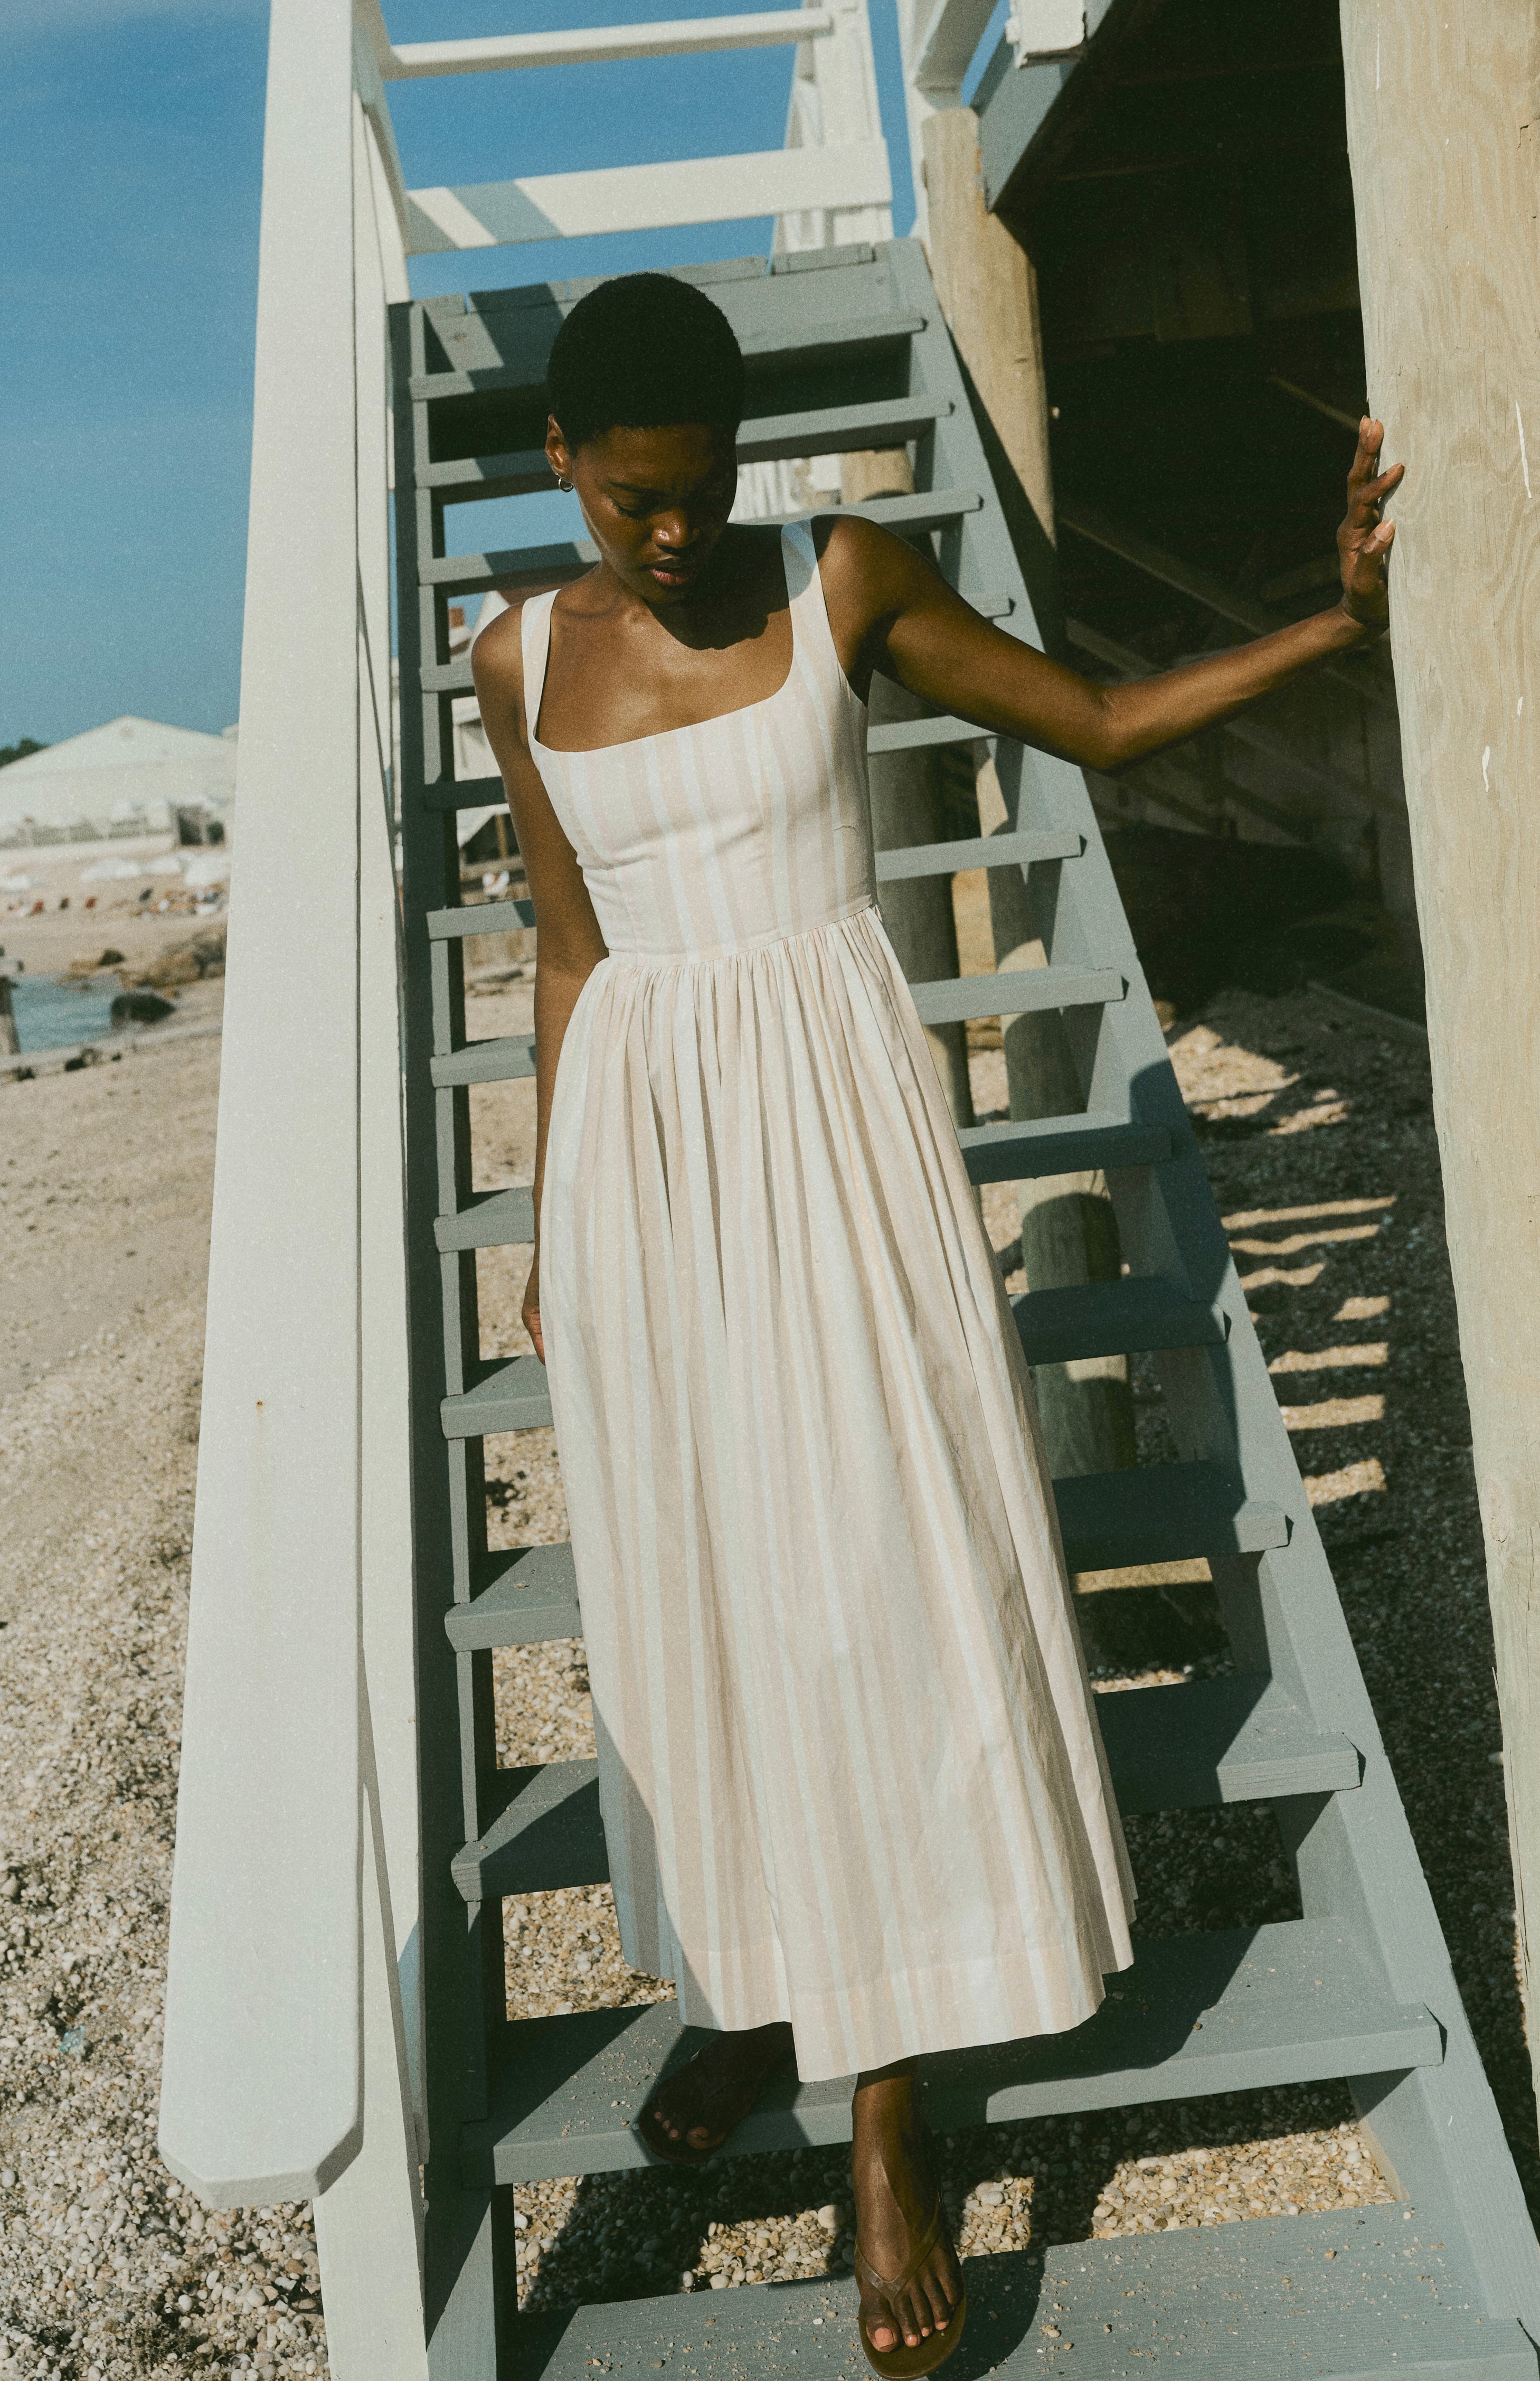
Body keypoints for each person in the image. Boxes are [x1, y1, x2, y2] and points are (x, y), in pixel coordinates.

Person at [472, 270, 1400, 2378]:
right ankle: (762, 1976)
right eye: (631, 504)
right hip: (648, 1170)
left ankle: (889, 2112)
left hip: (846, 1144)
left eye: (700, 490)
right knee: (708, 1600)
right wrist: (553, 1207)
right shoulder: (512, 657)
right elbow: (558, 949)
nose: (674, 536)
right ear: (562, 474)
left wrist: (1332, 625)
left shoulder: (848, 577)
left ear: (742, 461)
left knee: (875, 1586)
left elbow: (1088, 719)